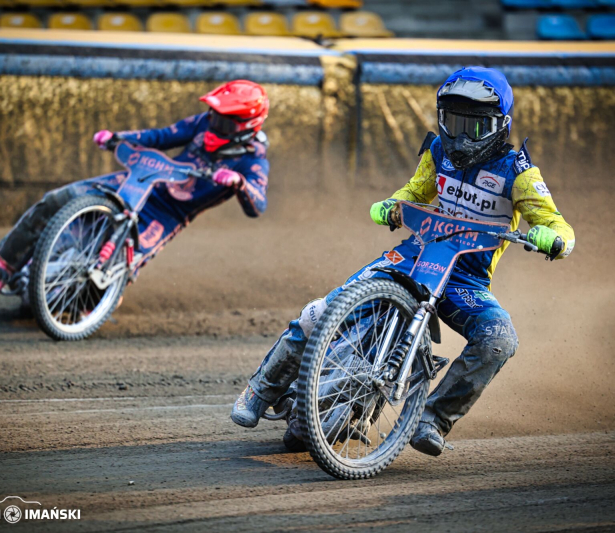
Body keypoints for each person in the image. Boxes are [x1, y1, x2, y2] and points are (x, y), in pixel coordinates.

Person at [230, 67, 575, 456]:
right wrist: (393, 205)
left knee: (499, 340)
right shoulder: (437, 152)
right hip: (413, 257)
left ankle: (432, 418)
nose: (461, 137)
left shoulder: (520, 175)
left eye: (474, 127)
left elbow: (555, 223)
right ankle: (260, 390)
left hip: (464, 282)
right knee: (321, 312)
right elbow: (415, 191)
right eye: (454, 123)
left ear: (500, 126)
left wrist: (556, 238)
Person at [0, 80, 270, 297]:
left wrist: (239, 183)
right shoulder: (201, 123)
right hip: (140, 181)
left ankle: (88, 303)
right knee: (58, 199)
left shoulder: (253, 160)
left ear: (247, 125)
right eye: (214, 115)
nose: (214, 124)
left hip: (166, 214)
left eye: (225, 122)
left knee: (118, 269)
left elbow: (258, 203)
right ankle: (3, 266)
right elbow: (161, 136)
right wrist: (118, 138)